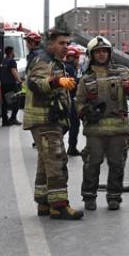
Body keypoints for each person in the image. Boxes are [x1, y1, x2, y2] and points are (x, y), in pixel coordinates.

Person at [75, 37, 129, 211]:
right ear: (92, 54)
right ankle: (89, 197)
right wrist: (85, 110)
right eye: (98, 51)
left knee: (117, 164)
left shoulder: (122, 72)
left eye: (104, 51)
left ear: (109, 53)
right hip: (95, 130)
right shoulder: (86, 78)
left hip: (118, 129)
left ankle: (114, 197)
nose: (101, 54)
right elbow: (78, 103)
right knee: (92, 163)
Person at [24, 29, 82, 220]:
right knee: (57, 160)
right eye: (61, 43)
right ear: (50, 44)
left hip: (48, 119)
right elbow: (34, 83)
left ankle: (44, 202)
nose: (66, 47)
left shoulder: (54, 62)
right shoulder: (44, 61)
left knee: (45, 161)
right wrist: (57, 81)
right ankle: (59, 206)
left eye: (67, 43)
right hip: (45, 120)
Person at [63, 47, 82, 156]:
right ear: (72, 58)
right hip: (70, 99)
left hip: (64, 99)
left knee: (66, 123)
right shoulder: (70, 69)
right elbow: (73, 84)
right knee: (74, 123)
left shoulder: (64, 66)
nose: (78, 61)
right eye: (77, 58)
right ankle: (72, 148)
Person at [0, 46, 22, 127]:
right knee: (17, 101)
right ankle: (13, 118)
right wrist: (20, 81)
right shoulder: (11, 61)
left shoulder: (3, 60)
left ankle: (4, 120)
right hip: (11, 84)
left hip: (4, 84)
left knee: (5, 102)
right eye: (13, 51)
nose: (14, 53)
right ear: (11, 52)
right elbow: (13, 71)